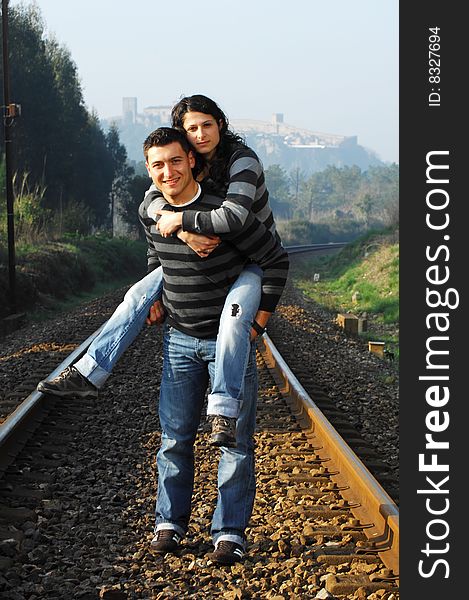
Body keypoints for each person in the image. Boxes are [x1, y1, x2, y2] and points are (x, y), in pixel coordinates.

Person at [37, 94, 284, 448]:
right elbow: (150, 201)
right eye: (191, 128)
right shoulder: (185, 160)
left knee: (232, 321)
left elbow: (235, 217)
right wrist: (180, 231)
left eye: (207, 125)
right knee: (137, 294)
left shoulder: (240, 160)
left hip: (249, 257)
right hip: (200, 245)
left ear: (221, 125)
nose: (200, 135)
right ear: (182, 135)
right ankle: (89, 371)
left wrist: (178, 219)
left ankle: (223, 411)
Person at [139, 127, 289, 564]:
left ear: (192, 160)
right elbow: (154, 257)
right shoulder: (154, 212)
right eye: (158, 166)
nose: (168, 172)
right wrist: (158, 302)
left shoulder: (224, 213)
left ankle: (229, 533)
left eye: (175, 161)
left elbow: (275, 257)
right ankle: (169, 523)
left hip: (228, 345)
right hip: (180, 342)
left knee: (235, 443)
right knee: (174, 438)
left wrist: (258, 324)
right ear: (150, 172)